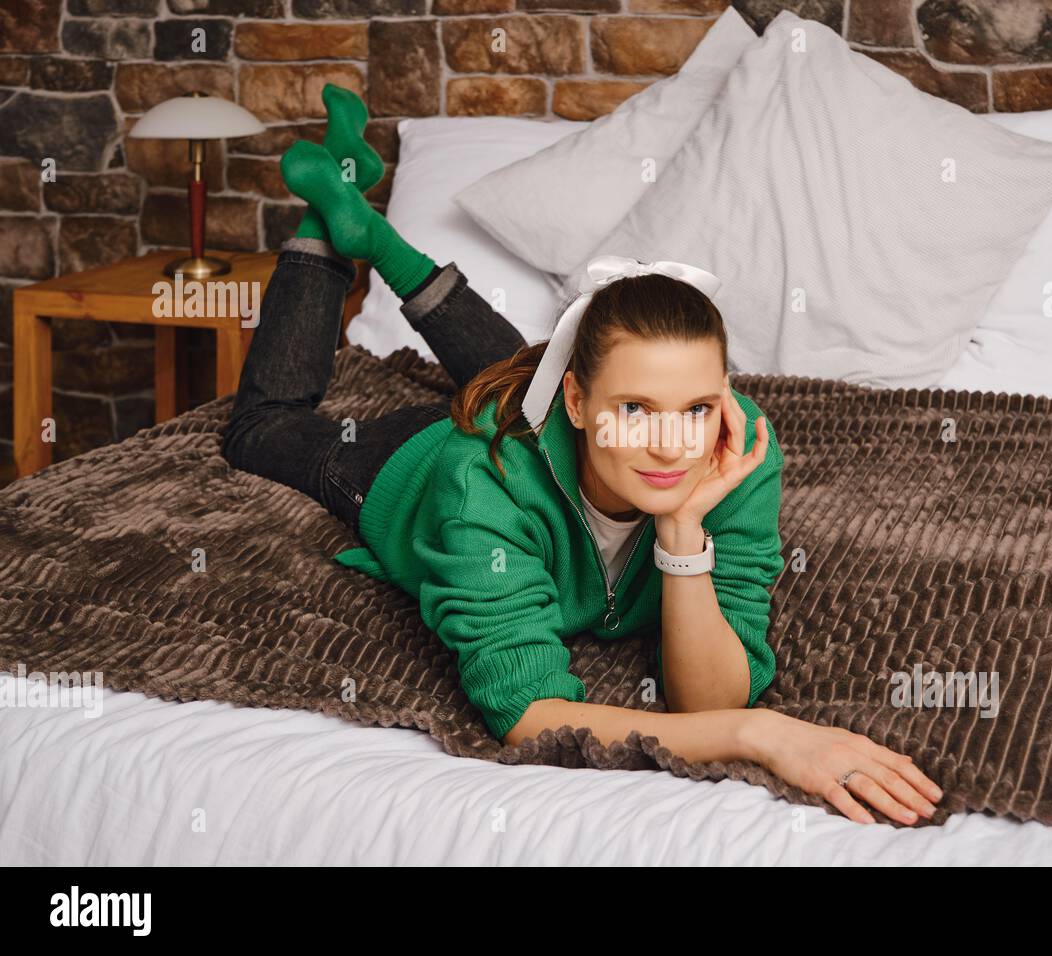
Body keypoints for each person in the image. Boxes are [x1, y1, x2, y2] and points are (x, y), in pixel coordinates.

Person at [220, 84, 943, 826]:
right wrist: (759, 734)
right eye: (637, 410)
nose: (672, 444)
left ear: (723, 395)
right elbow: (533, 715)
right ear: (577, 404)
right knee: (259, 431)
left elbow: (709, 696)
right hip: (407, 464)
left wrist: (683, 532)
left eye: (695, 407)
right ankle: (325, 229)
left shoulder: (735, 448)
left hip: (547, 417)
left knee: (530, 366)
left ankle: (370, 232)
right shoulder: (479, 486)